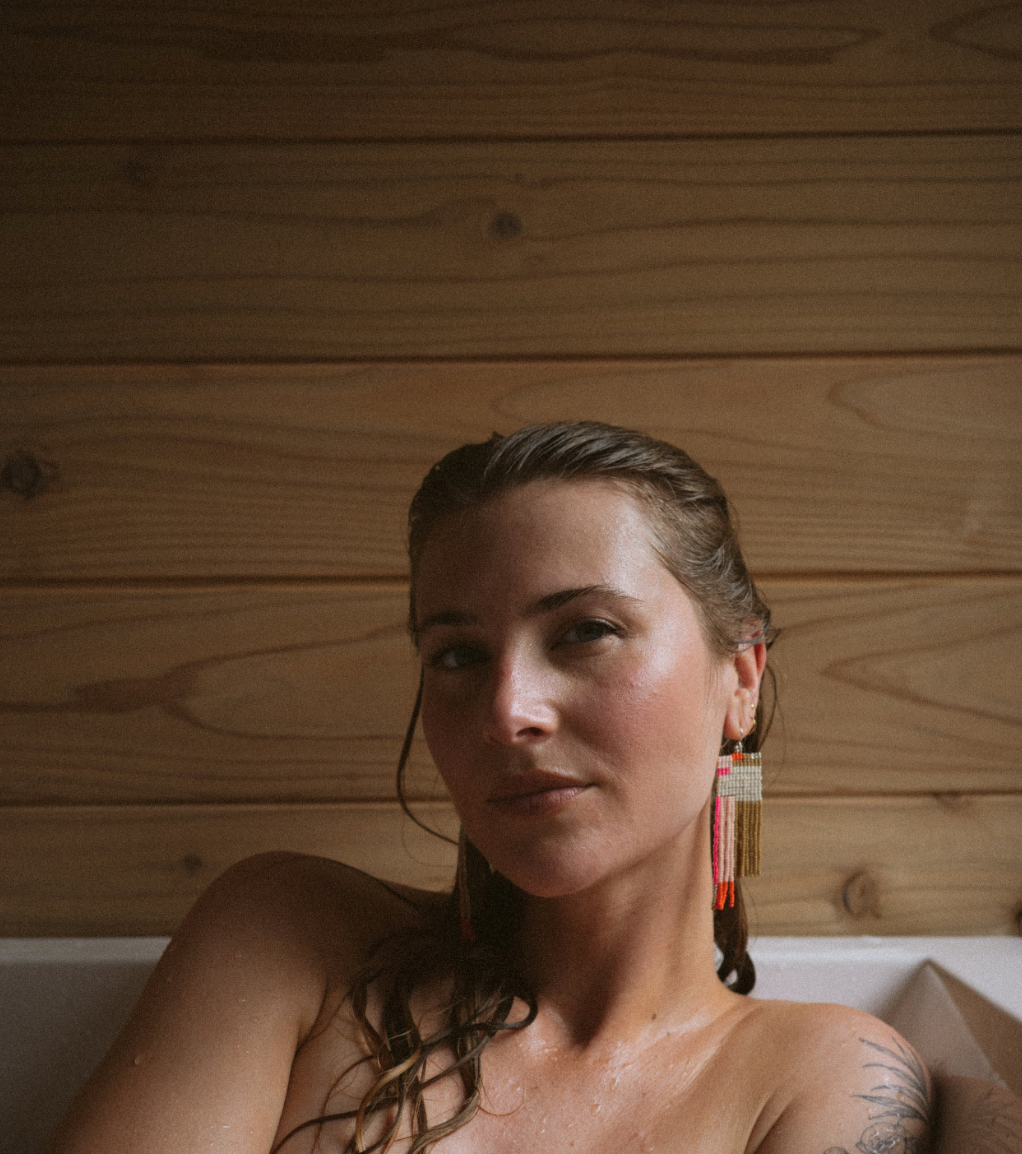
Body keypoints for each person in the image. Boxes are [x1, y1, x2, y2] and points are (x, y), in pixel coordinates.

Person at [45, 422, 1017, 1154]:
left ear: (741, 678)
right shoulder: (290, 938)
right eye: (457, 652)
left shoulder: (817, 1071)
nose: (506, 710)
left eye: (583, 630)